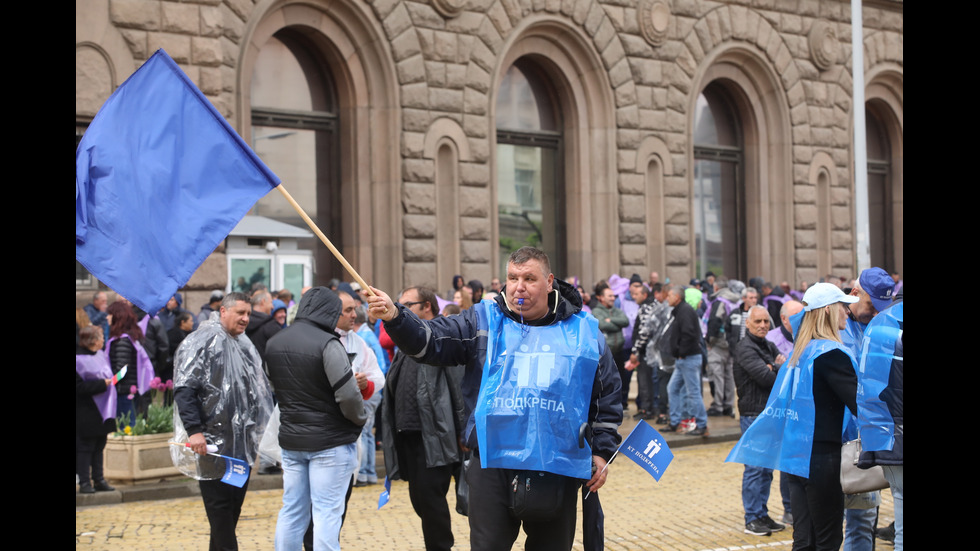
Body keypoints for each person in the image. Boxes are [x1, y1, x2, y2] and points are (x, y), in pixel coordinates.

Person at [367, 247, 622, 551]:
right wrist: (396, 316)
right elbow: (430, 341)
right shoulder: (483, 321)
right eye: (513, 278)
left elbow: (606, 394)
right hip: (492, 462)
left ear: (549, 281)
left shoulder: (583, 332)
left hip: (556, 463)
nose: (519, 287)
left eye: (529, 278)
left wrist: (602, 451)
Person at [727, 282, 859, 550]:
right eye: (842, 306)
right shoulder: (832, 354)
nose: (847, 312)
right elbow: (862, 404)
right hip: (823, 458)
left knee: (804, 539)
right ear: (826, 312)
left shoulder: (800, 354)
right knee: (827, 539)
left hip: (795, 457)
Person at [264, 287, 369, 551]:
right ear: (331, 312)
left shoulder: (275, 342)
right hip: (330, 442)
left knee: (292, 510)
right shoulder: (328, 343)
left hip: (292, 439)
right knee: (326, 513)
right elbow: (348, 396)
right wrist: (359, 420)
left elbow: (274, 385)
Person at [173, 292, 274, 551]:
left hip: (242, 444)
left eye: (248, 314)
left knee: (231, 510)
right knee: (219, 510)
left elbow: (257, 390)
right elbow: (185, 389)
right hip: (211, 444)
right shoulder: (201, 342)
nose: (245, 318)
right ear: (223, 311)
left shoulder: (243, 344)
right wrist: (195, 431)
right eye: (240, 312)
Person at [381, 286, 465, 551]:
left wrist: (464, 431)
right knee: (420, 499)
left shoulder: (442, 338)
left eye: (407, 305)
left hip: (435, 435)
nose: (401, 310)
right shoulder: (405, 342)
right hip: (408, 435)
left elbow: (459, 390)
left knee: (431, 500)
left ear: (426, 306)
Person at [732, 306, 787, 536]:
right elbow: (766, 378)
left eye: (766, 321)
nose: (763, 325)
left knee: (766, 469)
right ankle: (752, 517)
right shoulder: (745, 348)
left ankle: (762, 514)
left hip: (769, 413)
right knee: (755, 467)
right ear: (748, 323)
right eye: (758, 321)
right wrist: (776, 365)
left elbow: (785, 371)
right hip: (753, 413)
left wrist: (774, 367)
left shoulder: (768, 344)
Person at [76, 326, 116, 494]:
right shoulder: (78, 359)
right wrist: (102, 384)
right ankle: (85, 482)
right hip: (86, 410)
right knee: (85, 447)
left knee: (100, 444)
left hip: (104, 409)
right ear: (92, 340)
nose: (103, 340)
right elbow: (79, 388)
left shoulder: (100, 354)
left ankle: (99, 479)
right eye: (100, 337)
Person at [664, 286, 709, 436]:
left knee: (693, 393)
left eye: (670, 295)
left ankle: (702, 425)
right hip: (683, 359)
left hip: (688, 358)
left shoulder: (685, 310)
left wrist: (682, 352)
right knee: (673, 388)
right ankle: (675, 422)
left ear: (677, 297)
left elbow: (689, 334)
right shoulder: (681, 310)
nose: (667, 298)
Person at [107, 301, 153, 426]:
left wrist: (110, 383)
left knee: (127, 425)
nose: (107, 317)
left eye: (109, 314)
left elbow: (122, 369)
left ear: (117, 316)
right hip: (127, 388)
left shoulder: (122, 340)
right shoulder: (128, 337)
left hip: (124, 390)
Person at [592, 283, 630, 410]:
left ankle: (622, 405)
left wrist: (611, 320)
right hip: (605, 354)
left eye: (613, 296)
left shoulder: (617, 310)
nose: (613, 298)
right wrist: (615, 324)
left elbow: (625, 321)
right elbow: (602, 325)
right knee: (607, 381)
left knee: (622, 380)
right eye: (609, 296)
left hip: (619, 351)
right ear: (601, 298)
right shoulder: (596, 311)